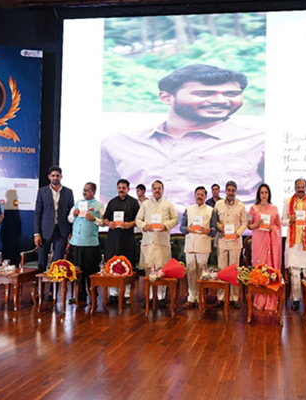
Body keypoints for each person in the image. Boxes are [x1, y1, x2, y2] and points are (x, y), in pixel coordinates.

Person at [101, 64, 265, 217]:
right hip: (143, 240)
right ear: (166, 98)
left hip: (222, 241)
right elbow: (106, 196)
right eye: (204, 94)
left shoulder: (259, 142)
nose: (221, 100)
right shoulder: (119, 143)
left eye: (231, 94)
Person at [136, 180, 178, 307]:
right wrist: (144, 226)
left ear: (163, 190)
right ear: (152, 190)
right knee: (149, 270)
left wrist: (166, 226)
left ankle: (160, 297)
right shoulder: (145, 204)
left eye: (159, 188)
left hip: (162, 242)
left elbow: (175, 219)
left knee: (161, 270)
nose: (157, 190)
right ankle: (148, 297)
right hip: (148, 241)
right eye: (155, 188)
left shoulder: (168, 204)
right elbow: (138, 219)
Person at [103, 179, 140, 304]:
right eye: (119, 187)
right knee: (112, 263)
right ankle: (113, 294)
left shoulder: (134, 202)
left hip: (127, 238)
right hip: (113, 238)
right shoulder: (112, 202)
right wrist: (109, 223)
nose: (121, 190)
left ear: (128, 189)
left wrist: (130, 224)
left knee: (127, 265)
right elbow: (105, 218)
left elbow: (139, 219)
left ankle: (127, 295)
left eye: (124, 188)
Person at [180, 186, 217, 308]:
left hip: (203, 244)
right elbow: (182, 227)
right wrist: (187, 229)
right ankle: (191, 297)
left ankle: (201, 297)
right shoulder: (188, 209)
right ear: (194, 196)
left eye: (202, 195)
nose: (199, 196)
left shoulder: (210, 210)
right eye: (198, 194)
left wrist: (209, 230)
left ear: (206, 197)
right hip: (190, 244)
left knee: (202, 272)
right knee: (191, 272)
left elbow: (214, 229)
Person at [67, 182, 104, 303]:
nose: (85, 192)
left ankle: (93, 294)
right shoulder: (78, 203)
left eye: (87, 190)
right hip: (77, 242)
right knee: (78, 271)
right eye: (84, 190)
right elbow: (69, 219)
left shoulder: (99, 205)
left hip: (91, 243)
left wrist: (94, 219)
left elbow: (104, 222)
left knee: (91, 270)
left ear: (94, 192)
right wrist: (74, 213)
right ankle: (80, 295)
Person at [34, 166, 74, 273]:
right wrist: (37, 233)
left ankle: (53, 288)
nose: (55, 178)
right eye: (53, 176)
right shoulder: (42, 192)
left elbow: (71, 213)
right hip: (44, 231)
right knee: (42, 261)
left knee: (58, 262)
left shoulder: (68, 192)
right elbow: (38, 213)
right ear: (49, 177)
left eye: (57, 175)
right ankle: (40, 288)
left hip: (61, 231)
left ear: (61, 177)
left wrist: (70, 231)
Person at [248, 183, 282, 311]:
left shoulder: (274, 208)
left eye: (266, 192)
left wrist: (271, 228)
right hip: (258, 241)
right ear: (258, 194)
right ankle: (259, 300)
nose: (264, 195)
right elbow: (249, 226)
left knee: (270, 268)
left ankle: (271, 301)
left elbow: (278, 226)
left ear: (269, 194)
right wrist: (257, 224)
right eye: (262, 192)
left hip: (270, 242)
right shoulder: (254, 208)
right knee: (259, 267)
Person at [214, 180, 247, 308]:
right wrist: (219, 226)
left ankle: (234, 298)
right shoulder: (218, 204)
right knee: (222, 270)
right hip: (221, 241)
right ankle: (221, 297)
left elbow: (244, 223)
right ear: (225, 191)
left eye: (233, 190)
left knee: (234, 271)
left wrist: (237, 233)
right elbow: (214, 221)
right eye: (229, 190)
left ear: (235, 192)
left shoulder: (241, 206)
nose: (231, 193)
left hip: (234, 242)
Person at [281, 178, 306, 311]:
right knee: (294, 272)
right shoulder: (288, 201)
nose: (300, 189)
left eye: (303, 187)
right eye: (298, 187)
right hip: (293, 242)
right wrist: (290, 220)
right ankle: (295, 299)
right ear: (294, 188)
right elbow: (283, 221)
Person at [135, 183, 148, 269]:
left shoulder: (148, 202)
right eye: (136, 191)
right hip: (136, 228)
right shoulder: (134, 202)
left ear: (143, 191)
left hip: (146, 228)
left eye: (138, 191)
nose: (137, 192)